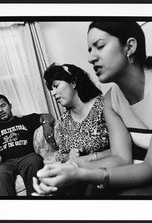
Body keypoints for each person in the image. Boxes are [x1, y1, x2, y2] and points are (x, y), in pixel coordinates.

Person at [33, 20, 152, 196]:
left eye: (99, 46)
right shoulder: (111, 100)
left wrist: (81, 174)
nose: (90, 58)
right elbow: (121, 158)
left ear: (129, 47)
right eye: (90, 50)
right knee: (92, 192)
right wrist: (67, 169)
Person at [37, 63, 110, 195]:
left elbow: (124, 150)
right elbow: (63, 154)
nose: (53, 93)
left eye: (56, 86)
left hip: (107, 170)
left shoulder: (103, 106)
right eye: (51, 89)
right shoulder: (65, 119)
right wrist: (69, 157)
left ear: (73, 82)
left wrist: (88, 158)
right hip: (79, 174)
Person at [0, 94, 55, 196]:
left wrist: (46, 124)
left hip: (27, 157)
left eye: (3, 106)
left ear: (10, 105)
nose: (0, 110)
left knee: (34, 161)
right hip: (6, 163)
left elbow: (47, 116)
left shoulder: (25, 120)